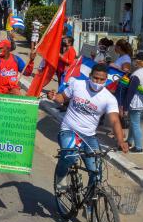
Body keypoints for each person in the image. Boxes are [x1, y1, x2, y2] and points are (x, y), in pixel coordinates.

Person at [47, 64, 129, 193]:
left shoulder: (109, 98)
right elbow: (62, 98)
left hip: (89, 136)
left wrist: (120, 141)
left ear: (106, 79)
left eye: (102, 79)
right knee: (70, 156)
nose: (98, 82)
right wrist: (53, 97)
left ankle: (90, 202)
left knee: (96, 172)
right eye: (95, 78)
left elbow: (114, 120)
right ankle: (60, 176)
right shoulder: (77, 85)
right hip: (69, 130)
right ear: (90, 76)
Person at [122, 52, 143, 154]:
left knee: (135, 125)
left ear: (138, 61)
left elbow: (130, 92)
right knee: (133, 123)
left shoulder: (137, 74)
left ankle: (139, 147)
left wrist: (125, 108)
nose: (133, 61)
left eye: (134, 59)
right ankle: (129, 141)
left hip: (137, 104)